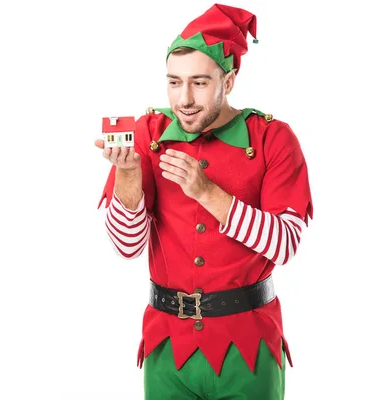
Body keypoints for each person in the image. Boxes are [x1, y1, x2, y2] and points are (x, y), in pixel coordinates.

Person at [94, 4, 313, 399]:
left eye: (199, 82)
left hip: (248, 346)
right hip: (168, 348)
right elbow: (127, 247)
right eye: (174, 82)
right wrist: (128, 176)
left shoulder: (272, 138)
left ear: (228, 81)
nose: (185, 98)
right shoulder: (148, 133)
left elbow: (285, 243)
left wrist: (208, 193)